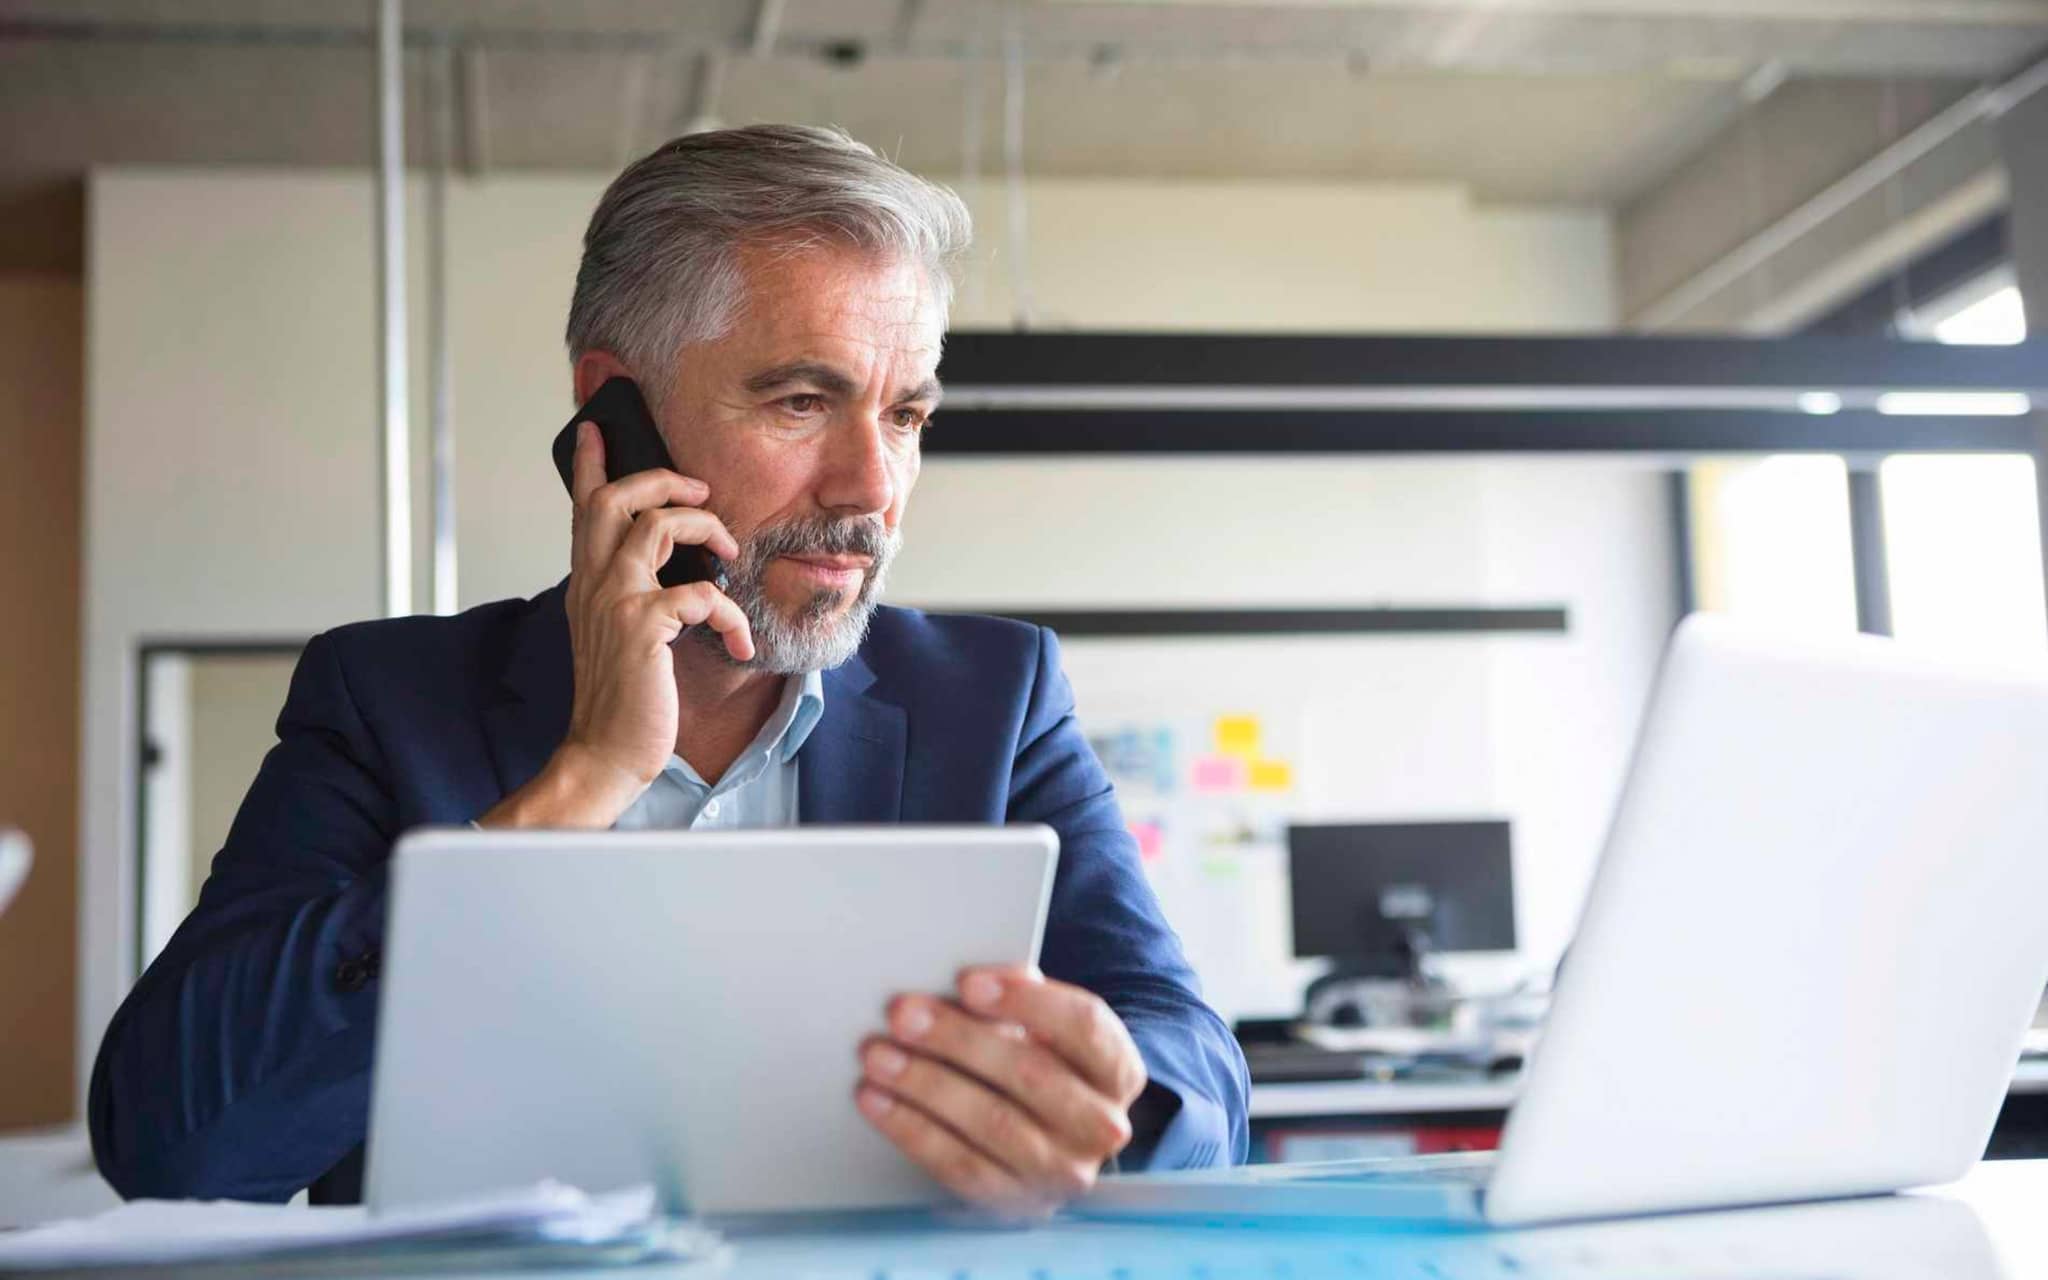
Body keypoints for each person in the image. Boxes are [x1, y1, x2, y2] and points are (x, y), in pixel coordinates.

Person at [89, 124, 1248, 1216]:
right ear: (614, 406)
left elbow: (1200, 1075)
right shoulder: (386, 701)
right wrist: (579, 782)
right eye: (802, 400)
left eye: (903, 415)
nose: (870, 488)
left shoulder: (992, 699)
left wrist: (1113, 1104)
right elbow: (175, 1141)